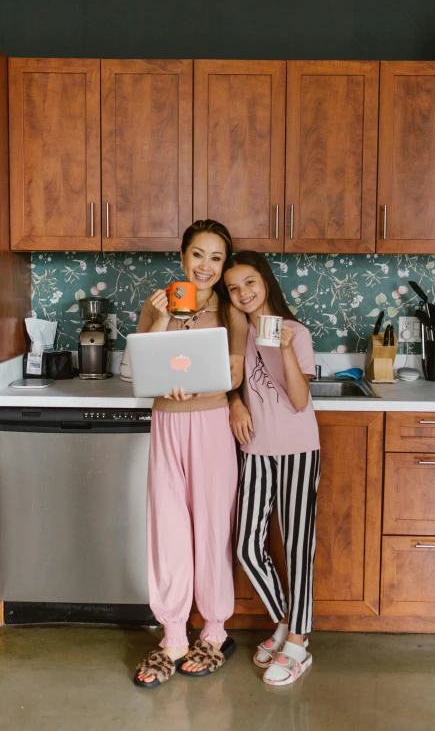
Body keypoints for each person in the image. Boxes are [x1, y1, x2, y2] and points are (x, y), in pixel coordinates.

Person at [134, 220, 247, 688]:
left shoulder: (230, 310)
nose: (206, 266)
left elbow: (236, 373)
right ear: (182, 257)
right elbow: (138, 368)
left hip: (211, 422)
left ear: (223, 266)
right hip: (166, 422)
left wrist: (196, 384)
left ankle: (216, 631)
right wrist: (160, 319)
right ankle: (174, 635)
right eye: (198, 255)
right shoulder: (154, 303)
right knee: (169, 527)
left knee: (211, 526)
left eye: (216, 258)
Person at [222, 251, 321, 687]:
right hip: (256, 451)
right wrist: (235, 401)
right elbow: (232, 381)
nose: (243, 293)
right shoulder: (237, 333)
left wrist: (284, 350)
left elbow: (299, 401)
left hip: (298, 450)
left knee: (299, 546)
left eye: (249, 282)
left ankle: (297, 642)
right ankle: (285, 618)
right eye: (234, 288)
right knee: (246, 545)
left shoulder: (296, 332)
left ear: (265, 282)